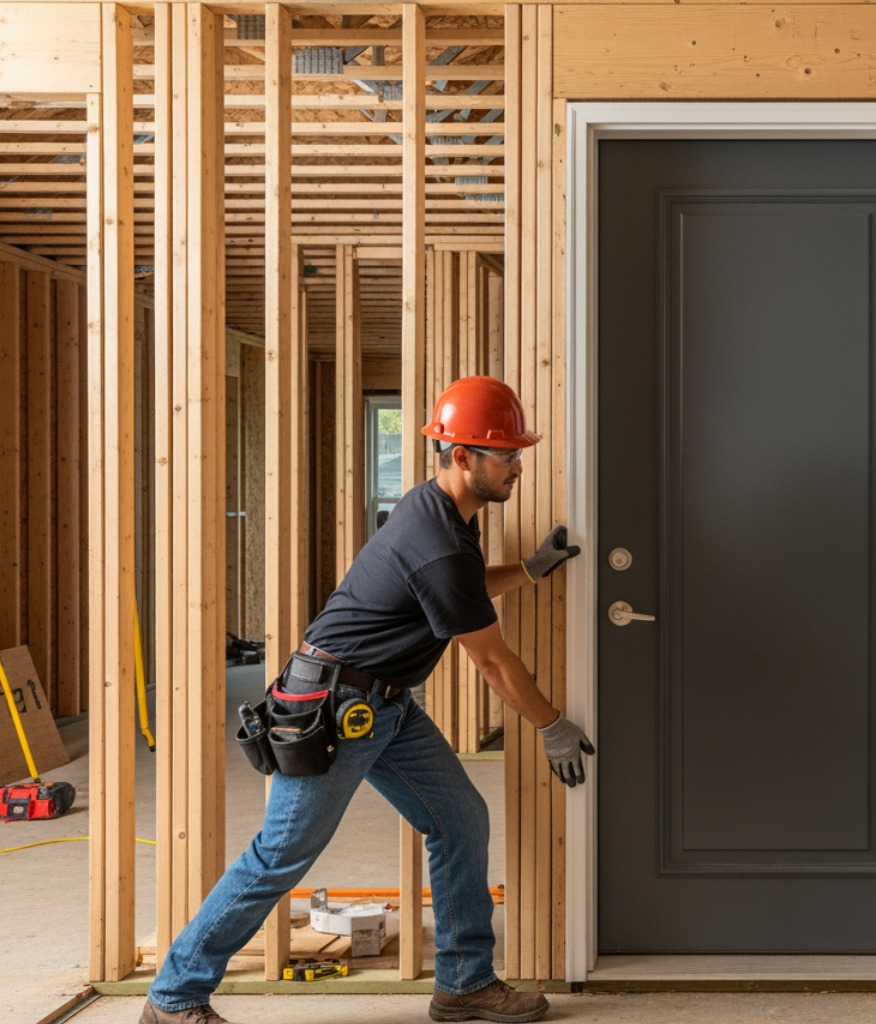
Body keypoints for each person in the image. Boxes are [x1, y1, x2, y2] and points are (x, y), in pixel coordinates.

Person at [142, 376, 593, 1024]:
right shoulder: (437, 538)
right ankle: (174, 997)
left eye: (518, 453)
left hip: (384, 705)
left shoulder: (444, 515)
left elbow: (463, 587)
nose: (518, 466)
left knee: (460, 818)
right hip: (334, 708)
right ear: (462, 457)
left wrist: (525, 570)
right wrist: (551, 724)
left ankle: (464, 984)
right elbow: (491, 660)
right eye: (507, 454)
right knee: (280, 855)